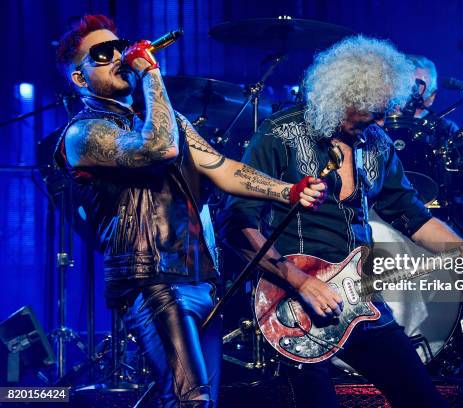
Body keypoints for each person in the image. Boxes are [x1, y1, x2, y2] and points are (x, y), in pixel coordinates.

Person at [53, 15, 326, 408]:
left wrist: (289, 191)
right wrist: (151, 76)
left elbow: (223, 168)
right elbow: (158, 149)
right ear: (80, 78)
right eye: (101, 53)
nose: (117, 55)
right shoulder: (84, 133)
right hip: (153, 280)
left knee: (203, 400)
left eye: (119, 46)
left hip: (200, 280)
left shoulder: (167, 121)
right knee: (189, 400)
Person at [219, 36, 463, 407]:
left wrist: (462, 250)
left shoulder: (377, 143)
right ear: (344, 97)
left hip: (357, 298)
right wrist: (300, 282)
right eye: (373, 110)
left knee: (423, 399)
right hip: (292, 302)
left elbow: (411, 214)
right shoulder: (280, 134)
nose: (381, 120)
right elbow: (237, 224)